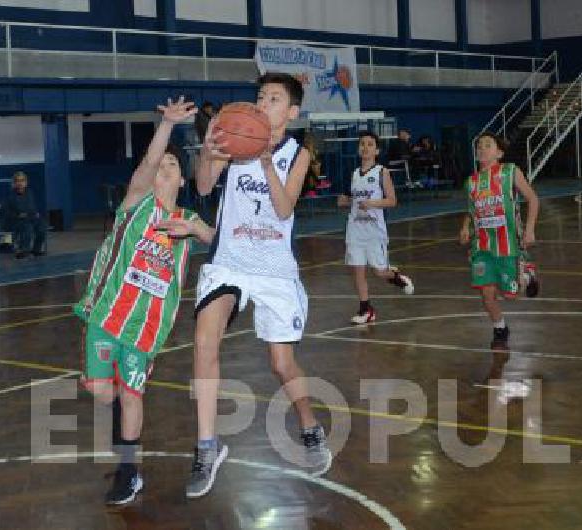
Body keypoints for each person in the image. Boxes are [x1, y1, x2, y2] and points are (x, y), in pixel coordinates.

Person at [187, 72, 331, 499]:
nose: (262, 102)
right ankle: (207, 446)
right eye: (259, 96)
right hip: (229, 261)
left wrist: (266, 161)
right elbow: (202, 186)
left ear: (291, 111)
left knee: (282, 365)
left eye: (272, 98)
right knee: (203, 341)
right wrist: (207, 153)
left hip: (274, 270)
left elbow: (285, 209)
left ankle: (309, 425)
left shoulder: (296, 153)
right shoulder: (233, 141)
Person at [74, 97, 214, 505]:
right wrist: (167, 127)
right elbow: (145, 167)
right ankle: (124, 447)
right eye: (159, 167)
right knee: (103, 393)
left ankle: (128, 471)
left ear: (182, 180)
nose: (163, 170)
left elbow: (221, 243)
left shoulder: (189, 220)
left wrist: (196, 231)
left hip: (145, 327)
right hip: (106, 313)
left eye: (172, 166)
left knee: (132, 394)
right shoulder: (136, 205)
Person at [459, 133, 540, 350]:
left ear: (499, 152)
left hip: (508, 243)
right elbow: (471, 210)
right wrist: (465, 226)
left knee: (510, 295)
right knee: (486, 294)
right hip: (482, 246)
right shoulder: (472, 182)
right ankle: (500, 328)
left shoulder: (510, 171)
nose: (482, 149)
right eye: (479, 145)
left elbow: (532, 199)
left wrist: (530, 230)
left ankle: (527, 271)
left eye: (488, 145)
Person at [337, 131, 415, 324]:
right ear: (358, 148)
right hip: (355, 229)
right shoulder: (354, 173)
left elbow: (392, 200)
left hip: (374, 231)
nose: (365, 147)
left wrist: (371, 204)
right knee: (357, 269)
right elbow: (343, 199)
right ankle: (366, 309)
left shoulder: (382, 172)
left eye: (370, 144)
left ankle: (396, 277)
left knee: (379, 272)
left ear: (377, 150)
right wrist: (344, 200)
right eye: (362, 143)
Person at [1, 171, 47, 258]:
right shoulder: (9, 196)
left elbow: (32, 207)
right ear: (14, 183)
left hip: (29, 218)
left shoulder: (29, 193)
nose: (20, 183)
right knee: (27, 227)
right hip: (14, 221)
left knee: (42, 226)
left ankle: (36, 249)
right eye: (17, 181)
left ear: (26, 182)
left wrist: (35, 213)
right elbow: (5, 212)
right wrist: (18, 215)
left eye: (22, 180)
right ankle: (23, 250)